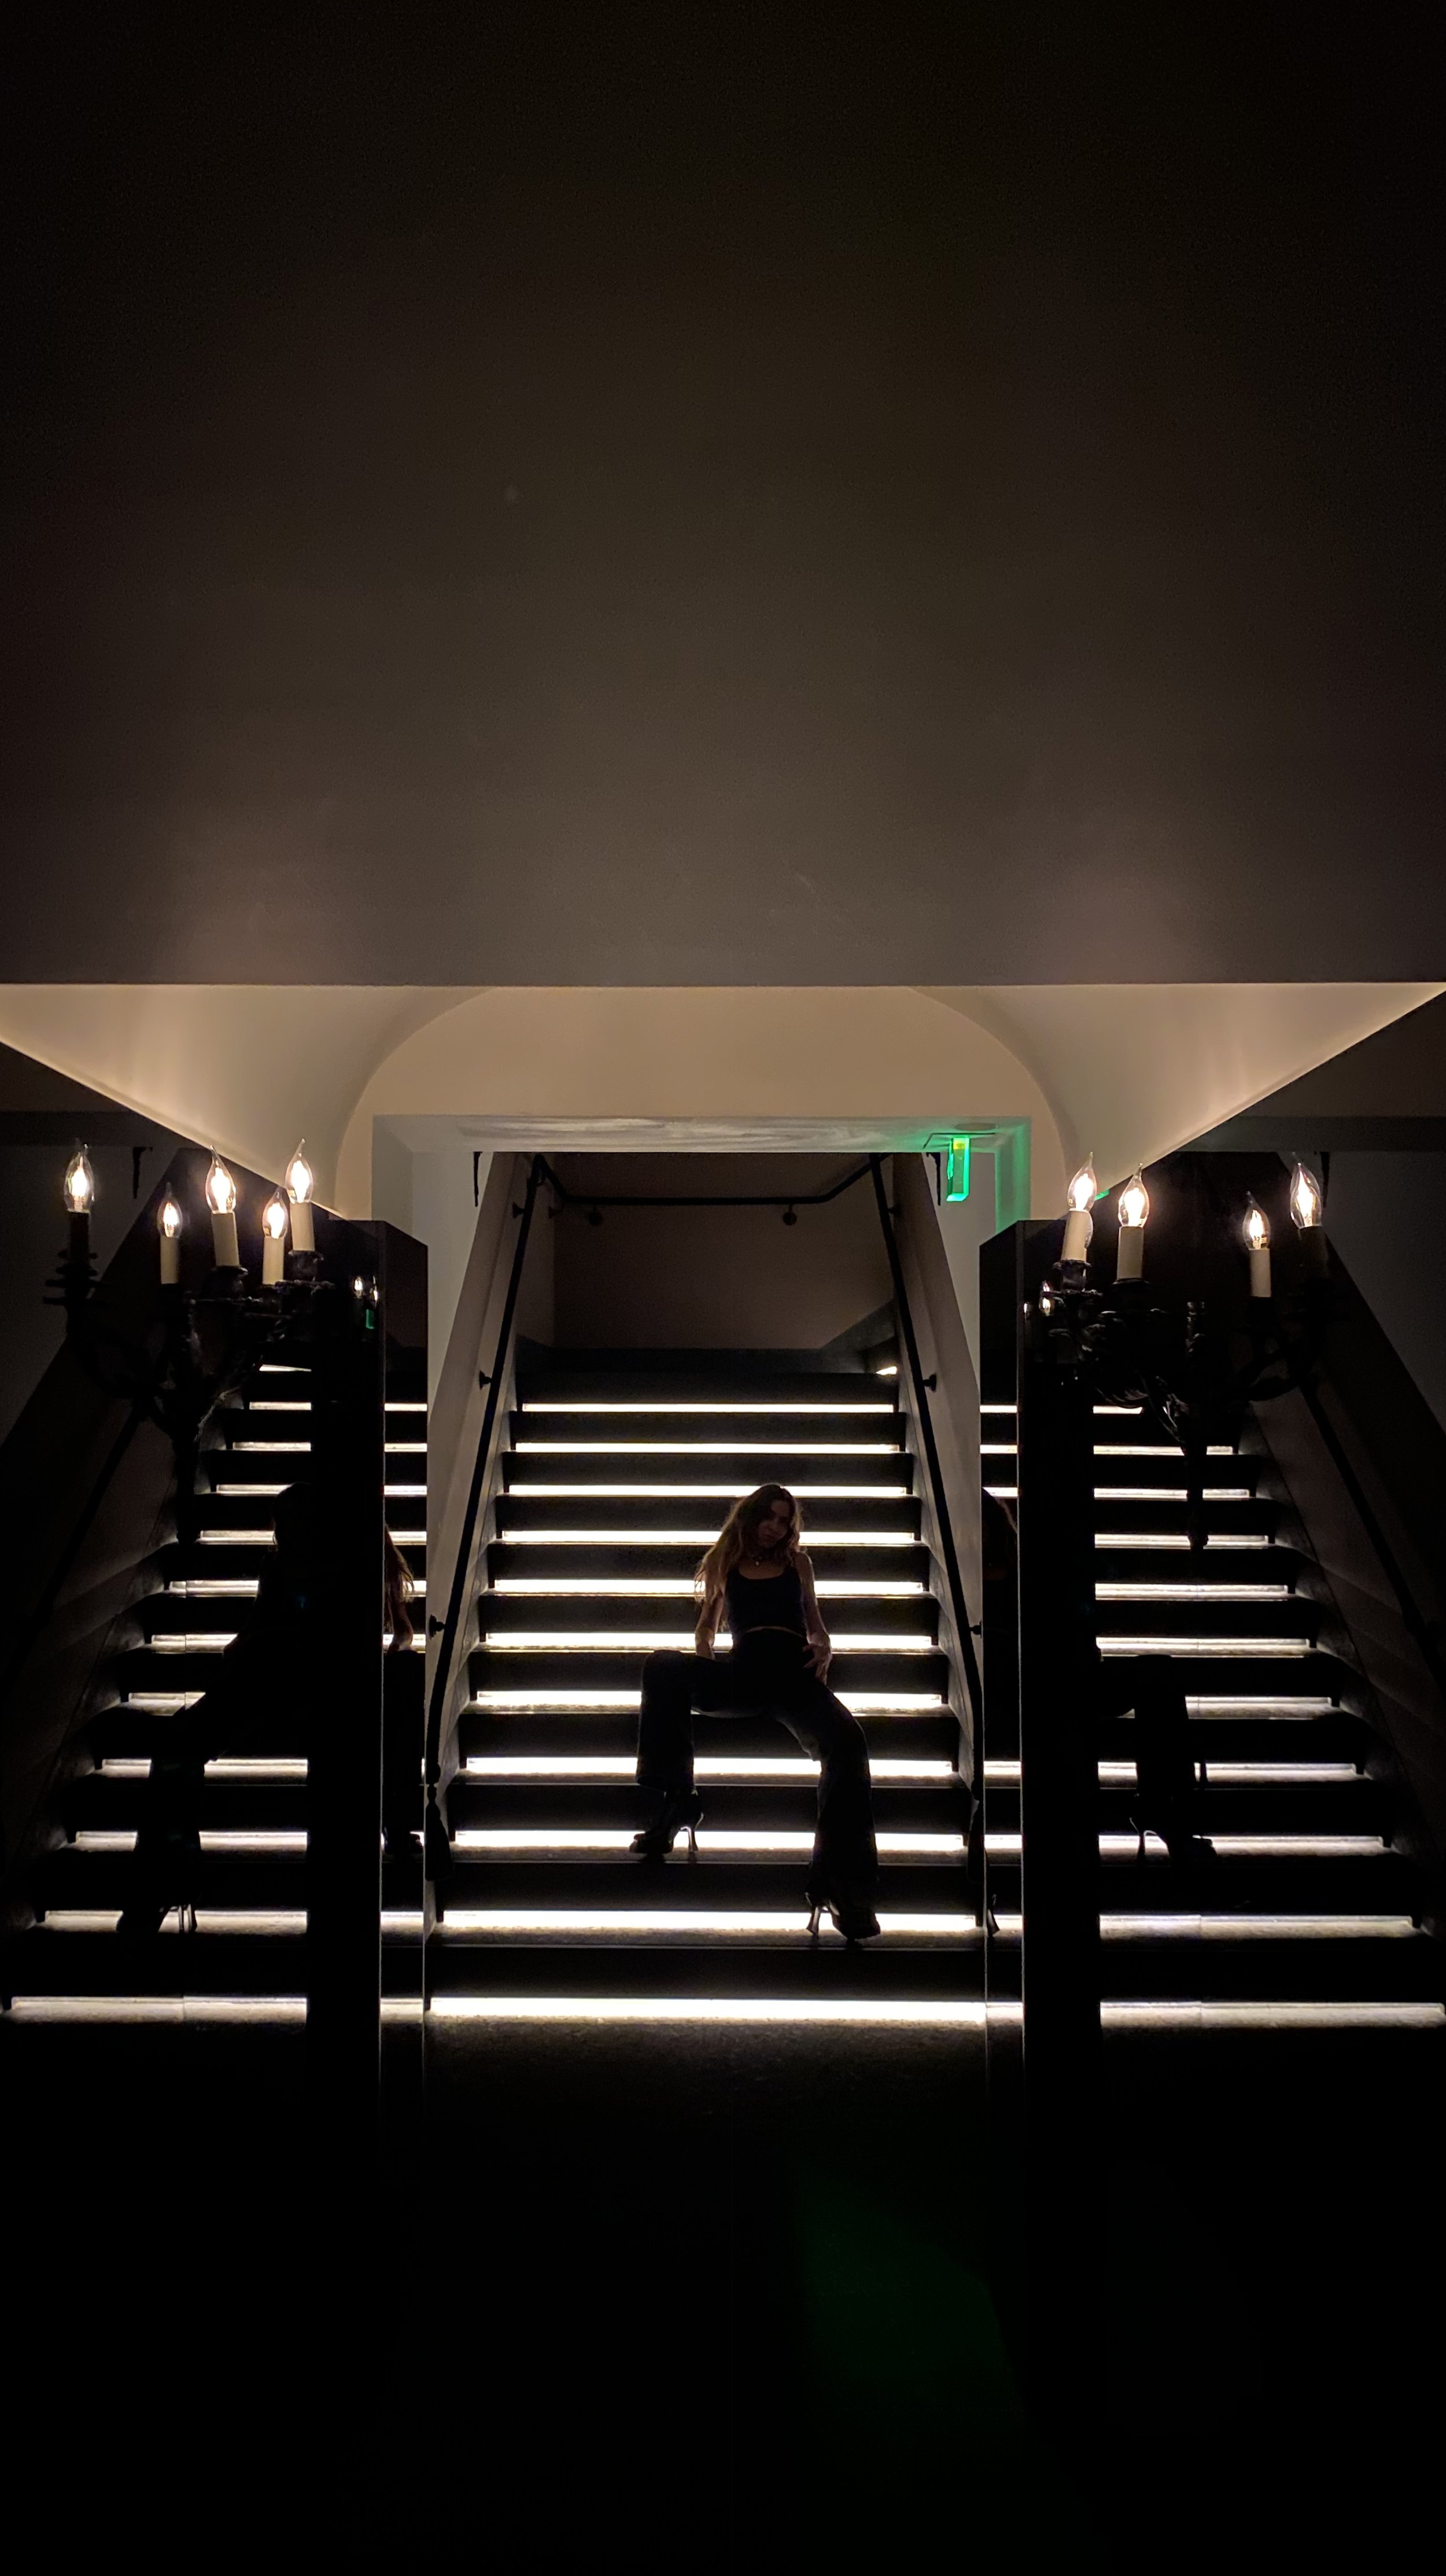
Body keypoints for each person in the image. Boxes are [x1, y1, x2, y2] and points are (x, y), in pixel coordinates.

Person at [631, 1483, 881, 1942]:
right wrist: (706, 1670)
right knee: (661, 1666)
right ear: (751, 1517)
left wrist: (824, 1648)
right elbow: (705, 1629)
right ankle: (677, 1800)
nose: (777, 1527)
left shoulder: (797, 1563)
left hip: (792, 1674)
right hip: (743, 1672)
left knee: (848, 1740)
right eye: (770, 1517)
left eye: (785, 1520)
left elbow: (816, 1622)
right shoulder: (728, 1562)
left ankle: (840, 1885)